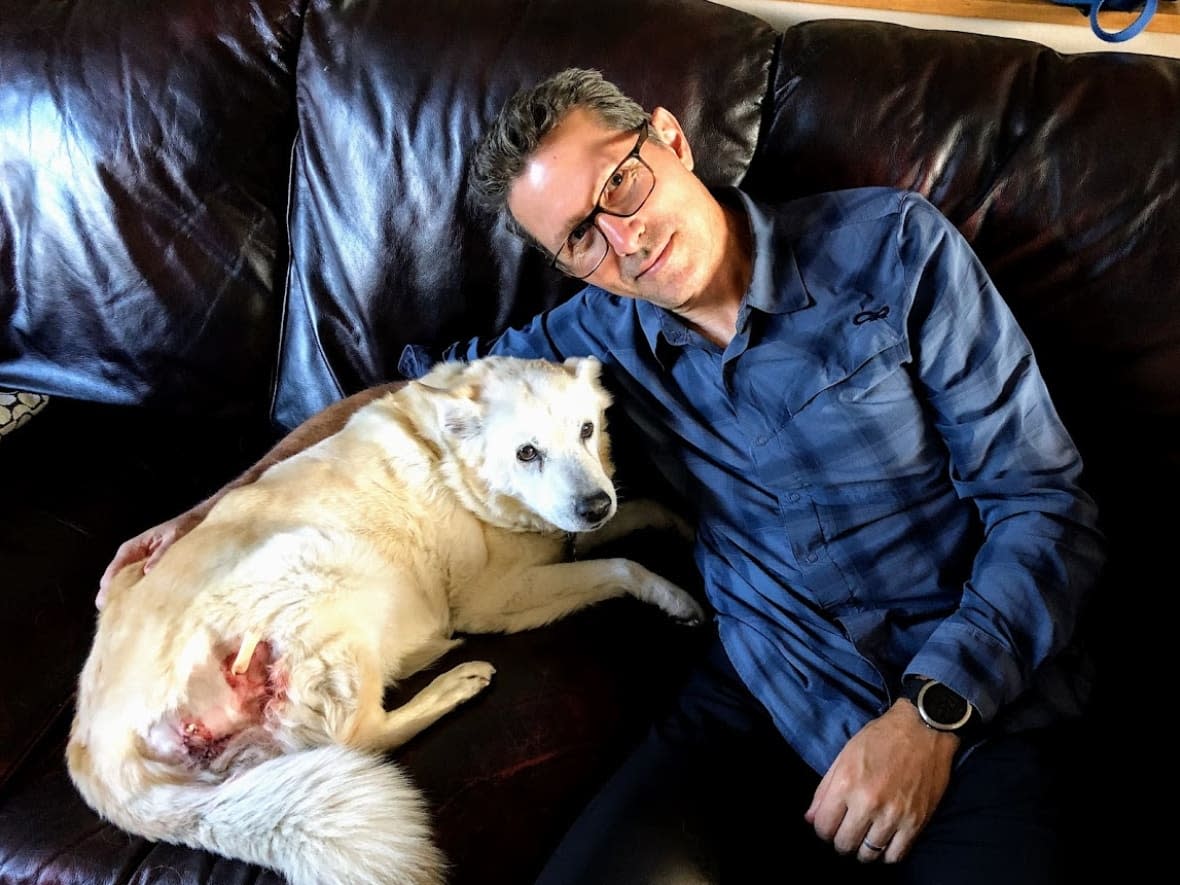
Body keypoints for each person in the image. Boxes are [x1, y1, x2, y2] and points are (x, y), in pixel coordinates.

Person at [100, 69, 1106, 883]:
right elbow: (402, 397)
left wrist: (928, 715)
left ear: (668, 139)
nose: (622, 241)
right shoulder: (590, 339)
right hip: (760, 695)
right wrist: (217, 505)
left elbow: (1044, 505)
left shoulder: (890, 249)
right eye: (580, 236)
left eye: (617, 186)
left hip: (971, 706)